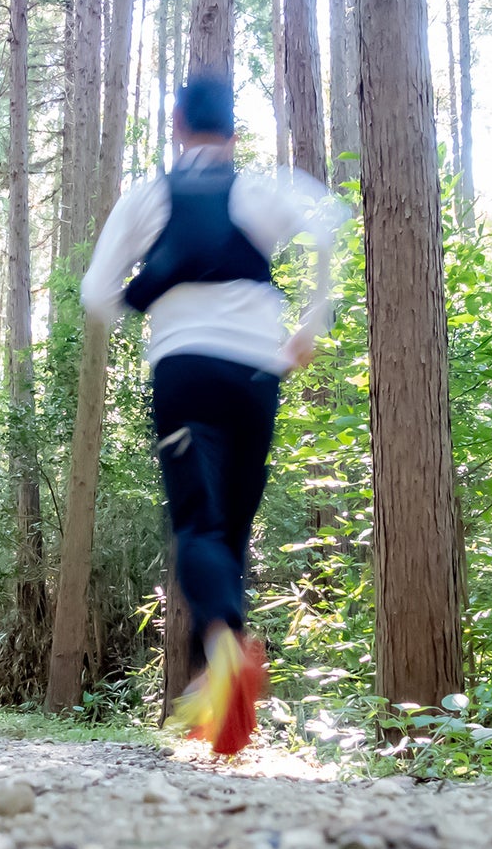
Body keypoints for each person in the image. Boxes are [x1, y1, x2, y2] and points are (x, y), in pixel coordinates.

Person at [81, 74, 344, 755]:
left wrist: (145, 305)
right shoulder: (262, 191)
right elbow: (328, 221)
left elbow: (94, 291)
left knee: (196, 522)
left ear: (176, 124)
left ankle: (223, 654)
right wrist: (309, 327)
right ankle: (216, 687)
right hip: (258, 372)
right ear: (233, 133)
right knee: (230, 530)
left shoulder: (150, 197)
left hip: (186, 370)